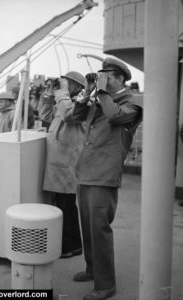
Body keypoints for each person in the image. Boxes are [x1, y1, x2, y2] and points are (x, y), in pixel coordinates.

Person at [68, 58, 143, 300]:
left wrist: (100, 92)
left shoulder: (132, 104)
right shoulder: (99, 98)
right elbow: (75, 116)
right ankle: (92, 269)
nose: (103, 79)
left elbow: (115, 117)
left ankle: (105, 285)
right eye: (100, 75)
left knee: (99, 229)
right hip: (86, 171)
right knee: (87, 227)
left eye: (107, 75)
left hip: (104, 175)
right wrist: (89, 90)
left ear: (120, 78)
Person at [39, 71, 86, 258]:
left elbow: (68, 115)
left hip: (66, 164)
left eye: (65, 83)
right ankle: (67, 244)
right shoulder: (64, 101)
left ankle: (72, 246)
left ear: (75, 86)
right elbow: (46, 115)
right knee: (61, 204)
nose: (61, 85)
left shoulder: (81, 103)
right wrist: (48, 95)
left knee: (66, 205)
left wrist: (62, 92)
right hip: (58, 163)